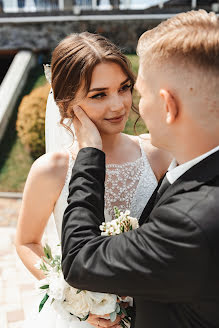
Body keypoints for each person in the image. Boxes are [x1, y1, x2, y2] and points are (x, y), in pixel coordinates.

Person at [61, 10, 219, 328]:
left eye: (138, 91)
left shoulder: (190, 223)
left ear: (167, 105)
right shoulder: (189, 172)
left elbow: (80, 259)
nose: (127, 106)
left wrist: (90, 155)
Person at [15, 32, 171, 327]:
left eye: (124, 88)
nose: (118, 105)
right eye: (99, 94)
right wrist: (75, 296)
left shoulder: (158, 156)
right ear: (67, 103)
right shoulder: (51, 169)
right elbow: (26, 242)